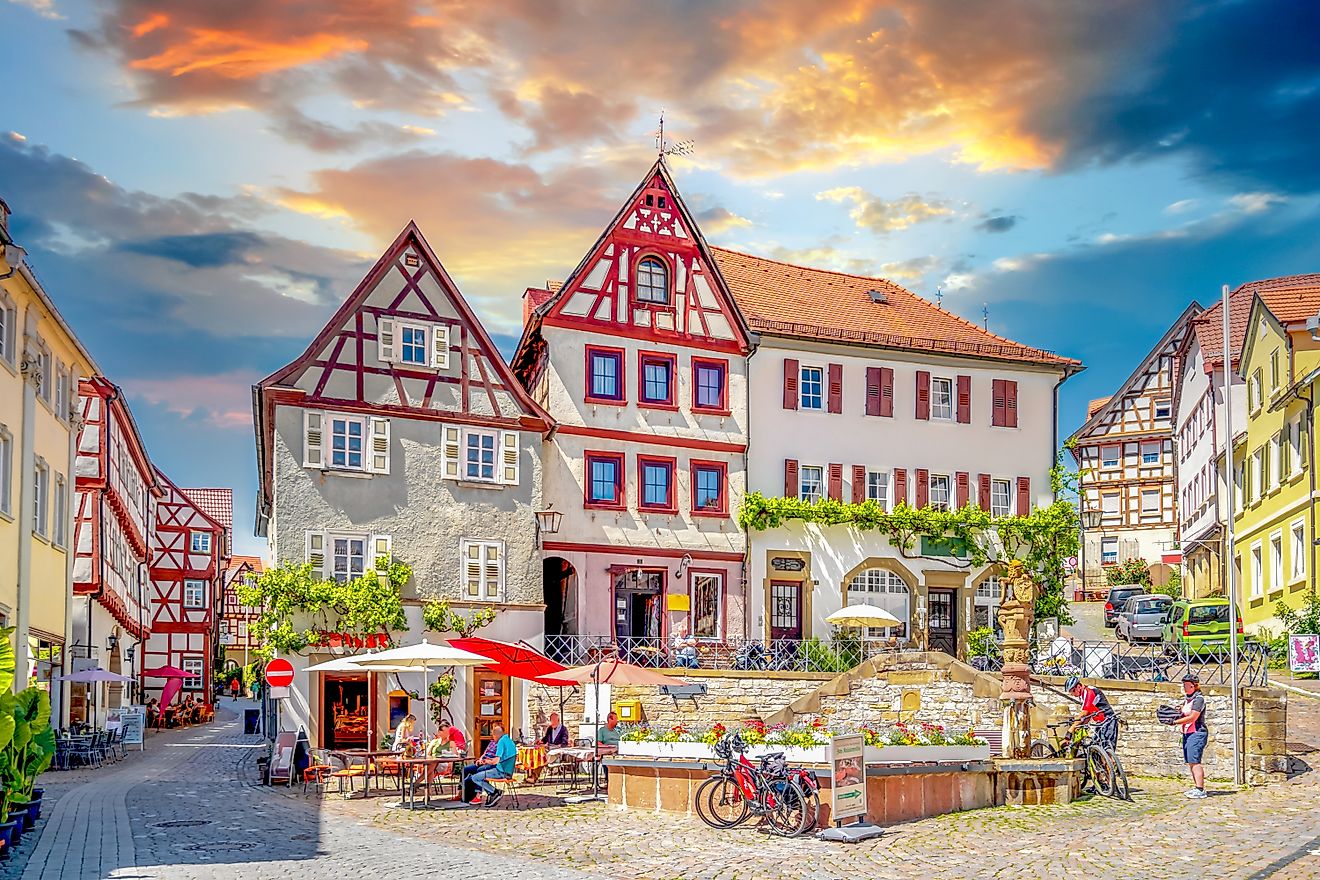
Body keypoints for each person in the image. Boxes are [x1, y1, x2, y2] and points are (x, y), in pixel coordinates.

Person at [1168, 672, 1209, 799]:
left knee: (1195, 761)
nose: (1185, 687)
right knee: (1191, 761)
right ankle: (1197, 787)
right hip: (1187, 732)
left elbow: (1193, 717)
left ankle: (1200, 789)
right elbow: (1185, 713)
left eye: (1187, 685)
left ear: (1194, 686)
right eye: (1184, 685)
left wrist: (1175, 722)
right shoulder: (1188, 699)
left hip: (1196, 733)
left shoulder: (1198, 700)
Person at [461, 725, 516, 806]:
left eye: (493, 735)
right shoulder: (509, 741)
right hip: (508, 772)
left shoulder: (501, 742)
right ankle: (492, 793)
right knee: (475, 773)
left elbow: (495, 761)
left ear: (495, 735)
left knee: (475, 778)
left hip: (500, 771)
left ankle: (494, 792)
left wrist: (487, 761)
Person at [1065, 675, 1118, 751]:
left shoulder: (1089, 691)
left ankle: (1110, 762)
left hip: (1108, 720)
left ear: (1079, 686)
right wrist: (1081, 726)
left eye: (1073, 691)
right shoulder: (1083, 696)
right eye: (1071, 692)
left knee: (1106, 749)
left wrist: (1071, 729)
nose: (1073, 694)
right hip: (1101, 722)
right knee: (1096, 748)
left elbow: (1084, 713)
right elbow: (1088, 714)